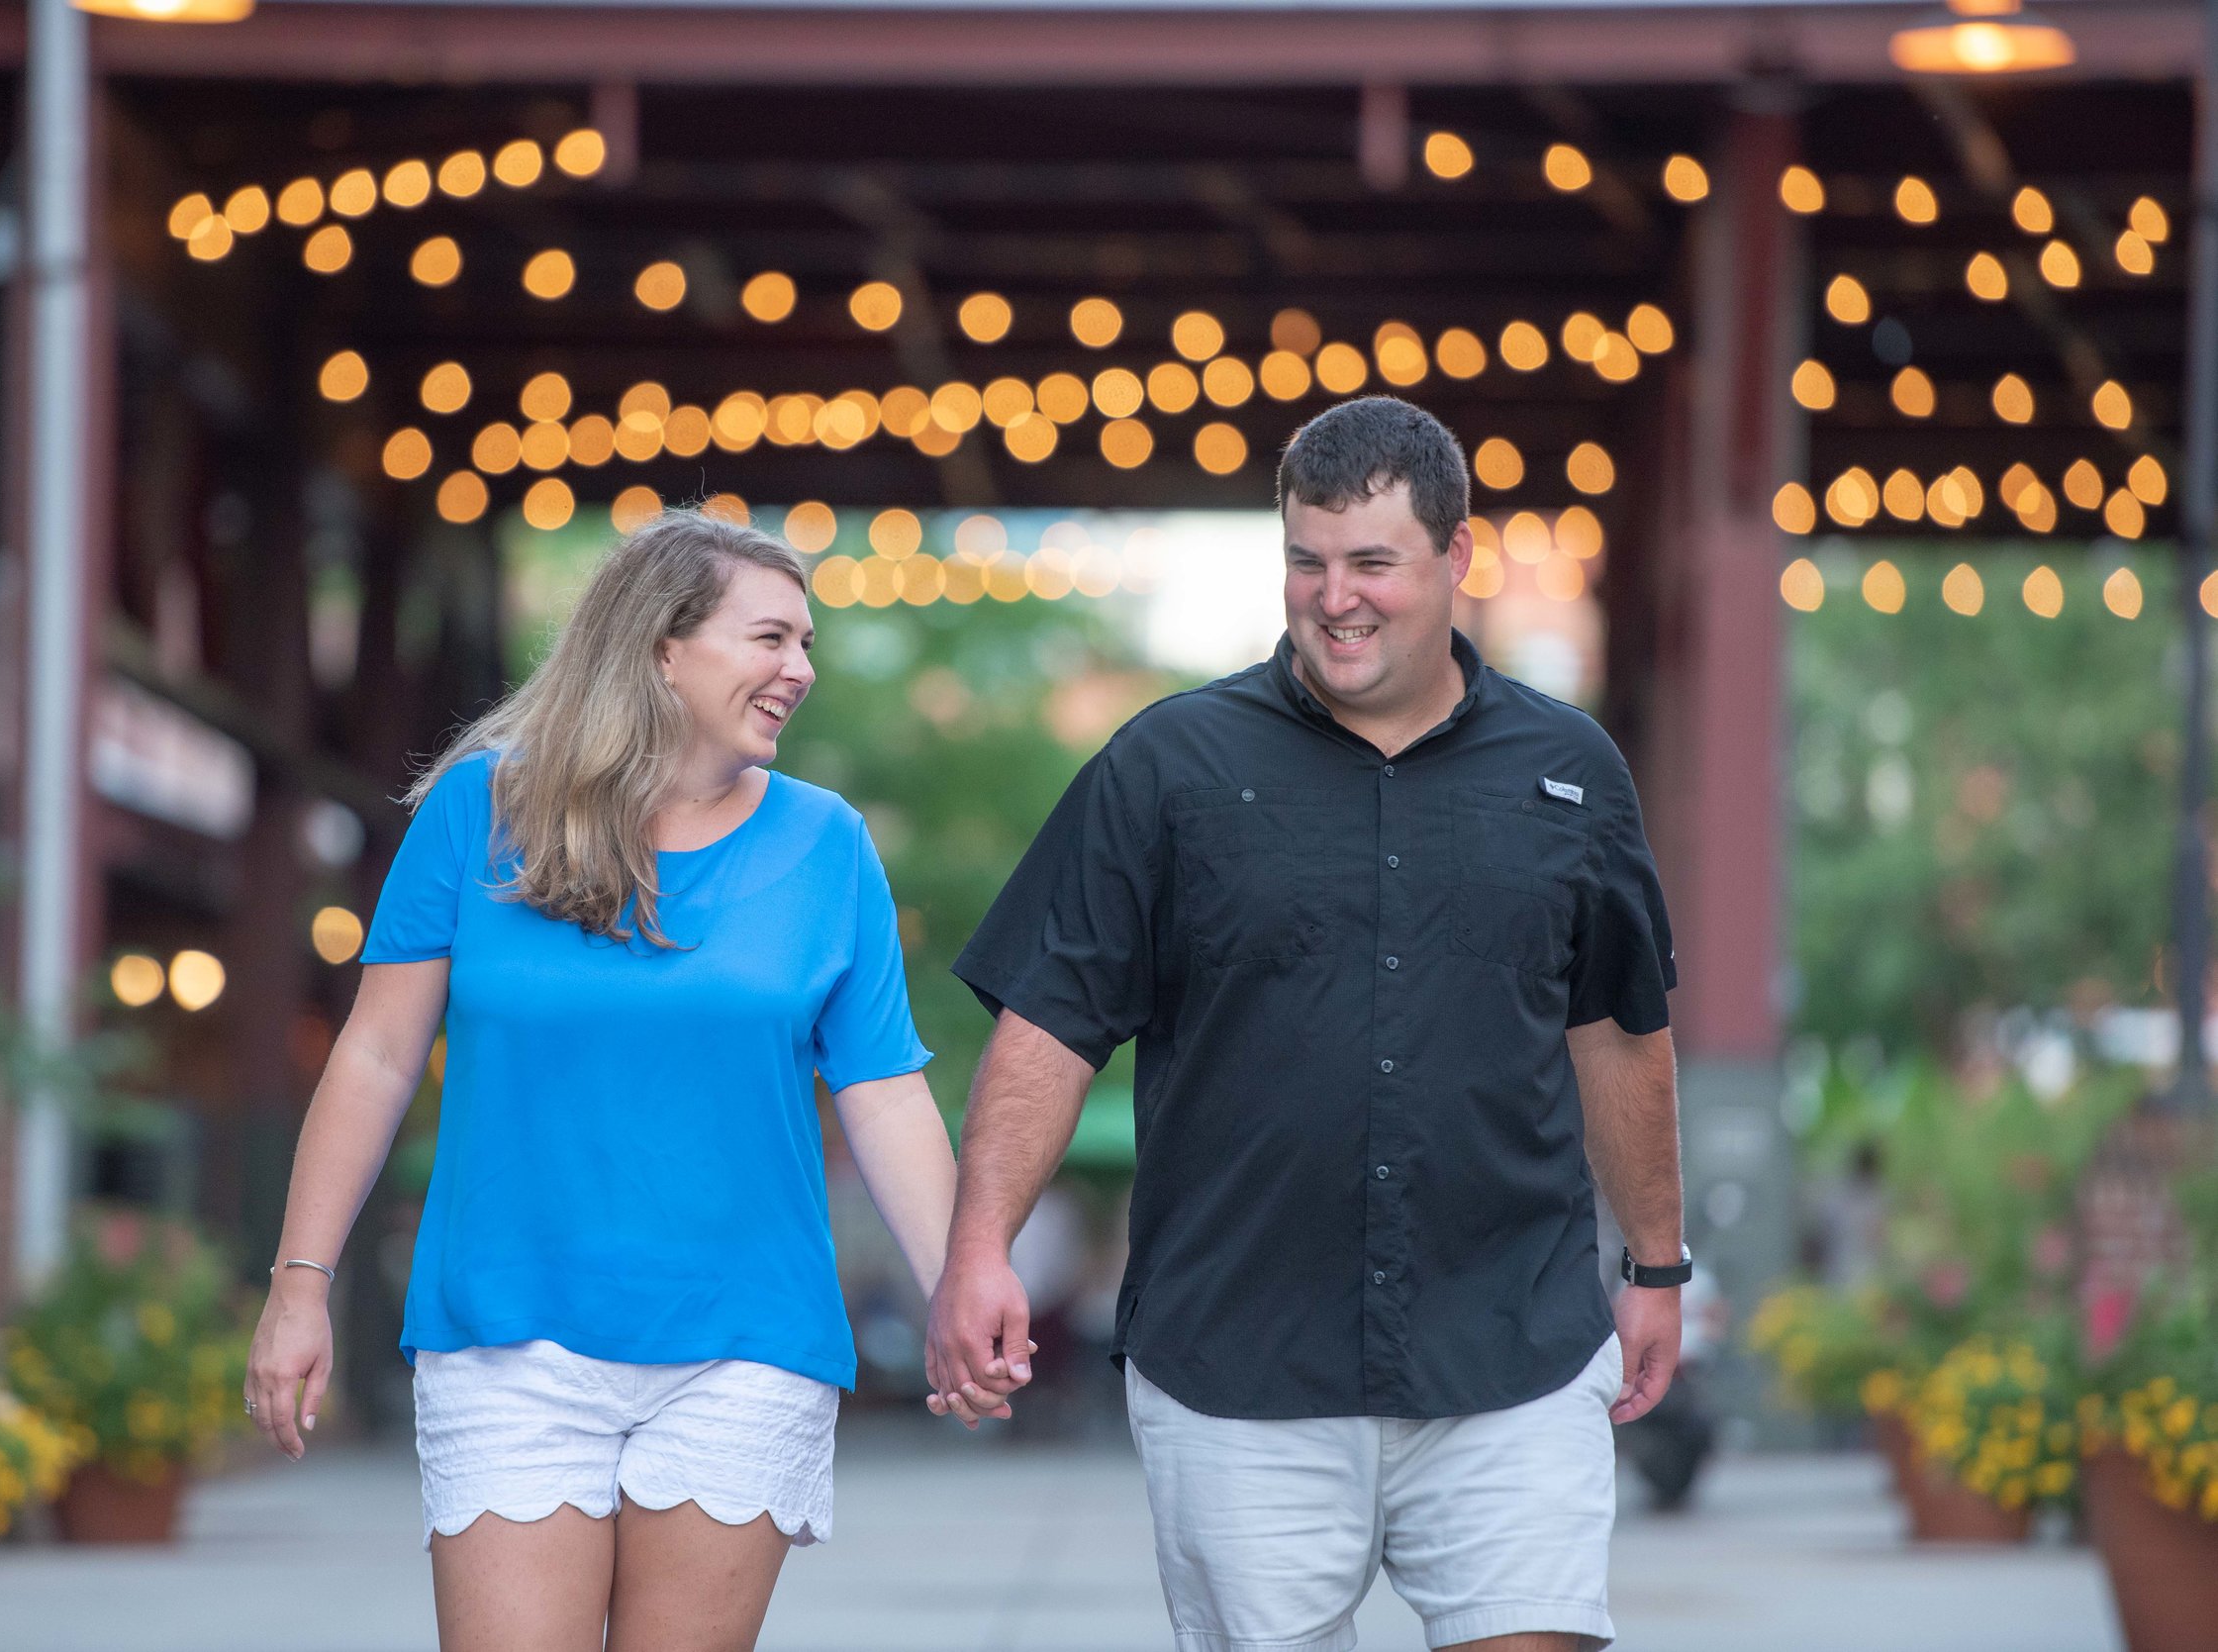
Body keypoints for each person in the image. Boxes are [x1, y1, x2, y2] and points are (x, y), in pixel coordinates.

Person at [928, 396, 1686, 1652]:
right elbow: (1052, 1023)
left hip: (1513, 1345)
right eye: (1306, 561)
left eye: (1372, 563)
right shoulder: (1165, 767)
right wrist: (977, 1244)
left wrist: (1655, 1263)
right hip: (1239, 1359)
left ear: (1455, 559)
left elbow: (1618, 1029)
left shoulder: (1572, 773)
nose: (1335, 597)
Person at [244, 512, 968, 1652]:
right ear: (661, 648)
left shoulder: (828, 845)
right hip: (505, 1337)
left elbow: (881, 1089)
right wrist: (298, 1284)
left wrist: (961, 1284)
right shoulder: (476, 814)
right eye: (771, 638)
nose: (801, 671)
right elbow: (377, 1057)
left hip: (745, 1342)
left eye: (808, 644)